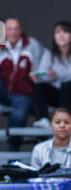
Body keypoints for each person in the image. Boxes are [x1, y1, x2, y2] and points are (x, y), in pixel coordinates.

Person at [0, 18, 43, 149]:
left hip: (22, 91)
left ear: (21, 30)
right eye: (9, 29)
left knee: (19, 114)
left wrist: (37, 74)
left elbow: (41, 68)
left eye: (16, 28)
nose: (13, 32)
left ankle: (13, 150)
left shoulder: (32, 45)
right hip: (3, 89)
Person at [31, 21, 71, 128]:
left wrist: (55, 75)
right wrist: (37, 77)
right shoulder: (48, 53)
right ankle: (43, 119)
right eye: (58, 32)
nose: (61, 35)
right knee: (39, 87)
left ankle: (62, 120)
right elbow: (42, 72)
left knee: (66, 86)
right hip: (55, 93)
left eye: (65, 32)